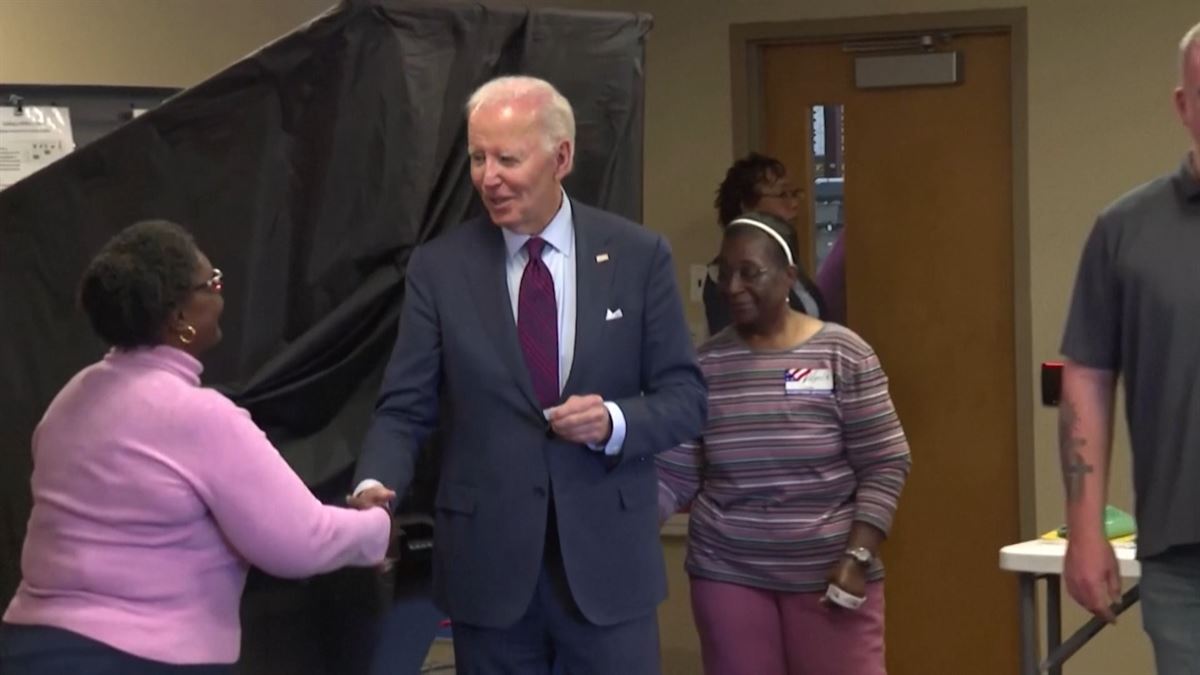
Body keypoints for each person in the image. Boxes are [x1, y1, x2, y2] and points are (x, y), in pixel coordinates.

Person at [348, 76, 706, 674]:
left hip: (607, 569)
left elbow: (687, 398)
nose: (489, 176)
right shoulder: (440, 269)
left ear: (560, 157)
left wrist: (613, 420)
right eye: (478, 158)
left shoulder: (637, 256)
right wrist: (373, 487)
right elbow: (404, 408)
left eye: (507, 159)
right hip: (488, 571)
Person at [0, 220, 391, 674]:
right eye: (214, 284)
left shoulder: (71, 399)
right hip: (141, 660)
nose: (222, 296)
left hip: (29, 648)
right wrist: (377, 530)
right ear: (179, 318)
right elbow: (298, 541)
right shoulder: (198, 416)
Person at [658, 213, 910, 675]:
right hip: (728, 571)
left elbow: (885, 463)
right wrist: (621, 522)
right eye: (724, 272)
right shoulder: (705, 365)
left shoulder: (844, 354)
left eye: (749, 272)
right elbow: (676, 473)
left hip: (832, 573)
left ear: (789, 276)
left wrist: (858, 554)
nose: (732, 286)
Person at [1058, 21, 1200, 675]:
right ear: (1183, 105)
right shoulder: (1126, 231)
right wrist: (1085, 530)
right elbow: (1086, 374)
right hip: (1183, 557)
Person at [703, 153, 828, 335]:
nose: (793, 204)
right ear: (747, 206)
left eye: (794, 194)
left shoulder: (788, 263)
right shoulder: (725, 275)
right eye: (782, 194)